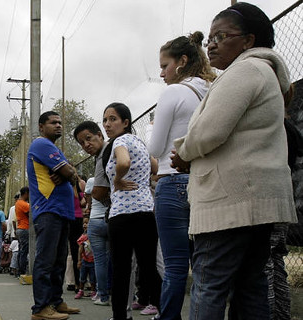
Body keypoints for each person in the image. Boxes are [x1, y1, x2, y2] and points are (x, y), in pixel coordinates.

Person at [171, 3, 297, 318]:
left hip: (229, 204)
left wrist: (183, 153)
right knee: (250, 285)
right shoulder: (263, 73)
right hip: (254, 204)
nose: (211, 44)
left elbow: (208, 132)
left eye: (221, 36)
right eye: (209, 38)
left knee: (210, 284)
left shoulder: (245, 70)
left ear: (248, 41)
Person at [148, 31, 216, 320]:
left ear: (182, 61)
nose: (161, 73)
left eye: (165, 66)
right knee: (205, 263)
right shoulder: (211, 90)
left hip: (171, 180)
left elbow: (155, 147)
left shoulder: (174, 92)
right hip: (204, 181)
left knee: (175, 265)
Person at [102, 102, 161, 320]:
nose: (107, 124)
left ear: (126, 122)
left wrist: (117, 180)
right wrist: (143, 183)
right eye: (105, 120)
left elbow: (124, 162)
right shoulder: (141, 144)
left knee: (121, 270)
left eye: (113, 119)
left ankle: (120, 317)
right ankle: (166, 312)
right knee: (148, 268)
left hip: (122, 216)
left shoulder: (120, 141)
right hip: (146, 212)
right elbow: (156, 168)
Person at [27, 111, 81, 320]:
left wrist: (68, 174)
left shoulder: (53, 149)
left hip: (61, 212)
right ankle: (40, 308)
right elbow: (70, 173)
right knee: (46, 260)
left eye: (60, 122)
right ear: (41, 127)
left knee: (58, 261)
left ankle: (56, 302)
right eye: (53, 123)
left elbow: (72, 173)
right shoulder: (41, 144)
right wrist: (67, 174)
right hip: (48, 210)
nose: (58, 126)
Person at [73, 121, 111, 306]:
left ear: (100, 135)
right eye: (82, 142)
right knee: (112, 259)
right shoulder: (101, 157)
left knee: (101, 261)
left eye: (88, 139)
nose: (86, 145)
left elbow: (93, 196)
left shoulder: (106, 154)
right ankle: (114, 294)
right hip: (108, 217)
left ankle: (103, 295)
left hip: (97, 220)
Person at [75, 219, 96, 300]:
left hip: (93, 261)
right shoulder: (83, 237)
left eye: (87, 223)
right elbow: (80, 250)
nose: (84, 225)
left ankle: (93, 291)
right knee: (82, 277)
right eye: (83, 223)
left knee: (93, 278)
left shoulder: (94, 237)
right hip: (85, 260)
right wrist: (79, 261)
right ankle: (81, 290)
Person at [15, 187, 30, 278]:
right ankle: (22, 271)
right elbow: (31, 214)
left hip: (20, 228)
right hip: (25, 228)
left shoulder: (18, 203)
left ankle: (19, 270)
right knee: (24, 251)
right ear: (26, 193)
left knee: (21, 250)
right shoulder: (24, 204)